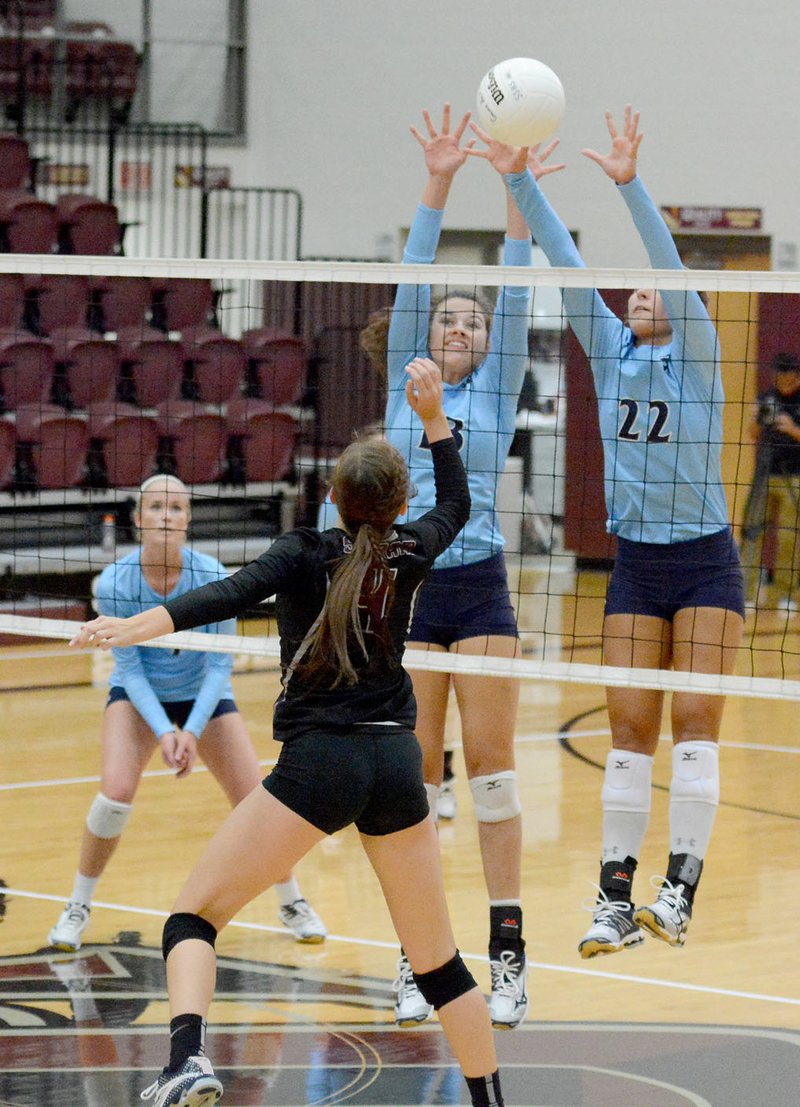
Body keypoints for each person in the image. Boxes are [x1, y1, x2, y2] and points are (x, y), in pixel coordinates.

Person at [71, 358, 511, 1107]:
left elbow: (218, 596)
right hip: (399, 764)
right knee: (439, 966)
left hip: (320, 764)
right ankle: (491, 1101)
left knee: (191, 917)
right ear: (398, 502)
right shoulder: (411, 549)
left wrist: (128, 627)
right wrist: (435, 415)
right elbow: (461, 500)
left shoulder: (303, 551)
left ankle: (188, 1059)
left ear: (332, 496)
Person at [469, 105, 744, 957]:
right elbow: (564, 261)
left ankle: (680, 888)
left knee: (696, 715)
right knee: (628, 729)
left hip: (704, 564)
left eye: (654, 288)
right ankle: (613, 899)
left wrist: (630, 185)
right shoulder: (609, 345)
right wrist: (516, 178)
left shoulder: (695, 350)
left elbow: (667, 261)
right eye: (634, 288)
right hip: (635, 566)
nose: (640, 289)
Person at [364, 104, 564, 1031]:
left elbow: (516, 291)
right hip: (405, 588)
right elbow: (413, 274)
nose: (459, 324)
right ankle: (418, 957)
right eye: (446, 315)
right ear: (425, 333)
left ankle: (509, 956)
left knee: (491, 775)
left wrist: (514, 184)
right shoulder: (408, 379)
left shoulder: (499, 381)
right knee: (416, 780)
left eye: (471, 319)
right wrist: (438, 181)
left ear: (487, 342)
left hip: (479, 588)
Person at [48, 474, 326, 954]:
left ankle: (291, 900)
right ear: (138, 519)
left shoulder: (213, 574)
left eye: (176, 508)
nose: (166, 517)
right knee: (114, 795)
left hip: (203, 693)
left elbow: (221, 664)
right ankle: (78, 904)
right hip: (140, 696)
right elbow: (129, 669)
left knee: (258, 798)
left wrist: (192, 731)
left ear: (188, 520)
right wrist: (163, 731)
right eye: (155, 507)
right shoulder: (116, 582)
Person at [740, 351, 800, 612]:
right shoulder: (767, 398)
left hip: (795, 477)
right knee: (752, 532)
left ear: (795, 376)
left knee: (789, 538)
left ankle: (786, 594)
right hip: (764, 475)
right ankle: (747, 593)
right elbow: (753, 433)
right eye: (777, 375)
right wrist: (756, 420)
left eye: (785, 375)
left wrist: (792, 429)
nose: (781, 380)